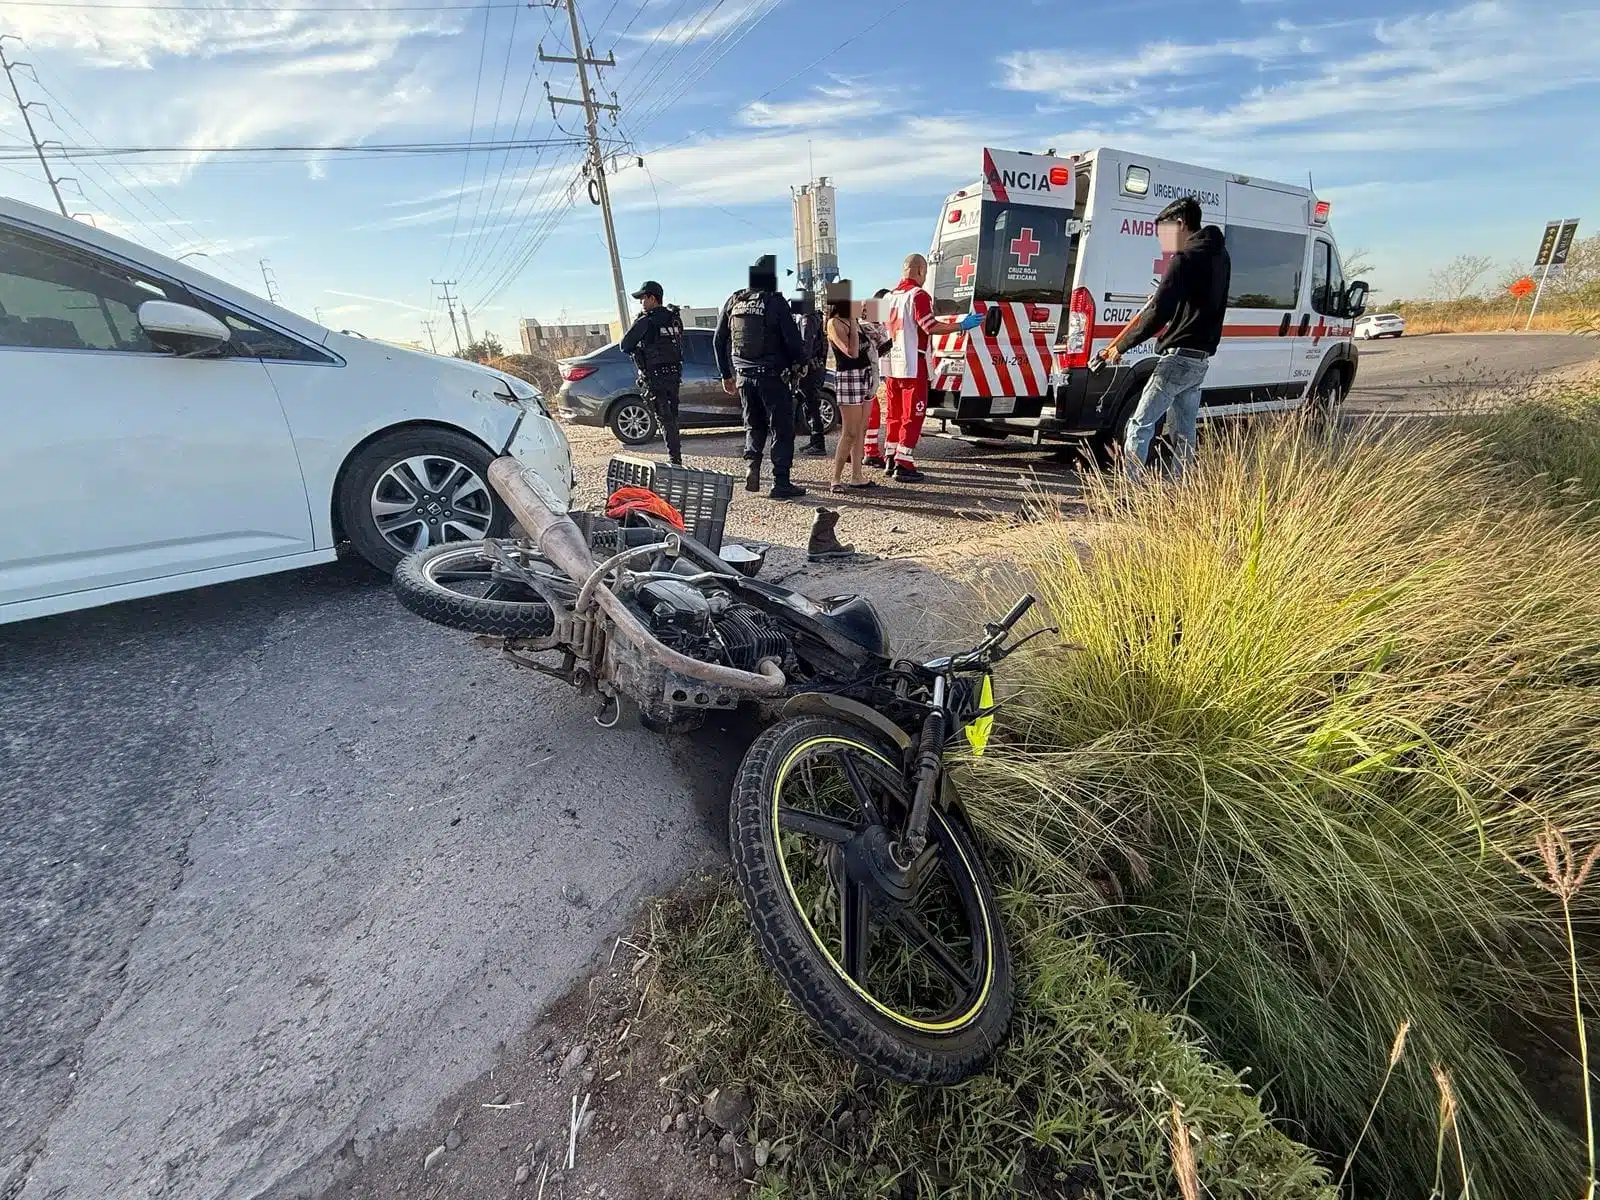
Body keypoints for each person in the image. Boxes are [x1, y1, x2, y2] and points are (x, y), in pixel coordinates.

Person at [1095, 196, 1231, 478]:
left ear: (1180, 224)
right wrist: (1169, 296)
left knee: (1139, 425)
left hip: (1178, 359)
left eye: (1164, 233)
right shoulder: (1220, 255)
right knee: (1184, 432)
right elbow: (1201, 302)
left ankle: (1128, 492)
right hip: (1200, 361)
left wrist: (1120, 345)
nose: (1162, 241)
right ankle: (1180, 490)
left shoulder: (1184, 259)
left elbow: (1158, 313)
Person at [714, 254, 808, 500]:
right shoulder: (774, 302)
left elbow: (718, 339)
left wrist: (726, 374)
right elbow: (793, 341)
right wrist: (801, 363)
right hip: (772, 377)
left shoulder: (735, 300)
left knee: (753, 426)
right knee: (781, 428)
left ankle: (752, 466)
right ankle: (781, 482)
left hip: (744, 377)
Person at [880, 255, 981, 482]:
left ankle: (890, 455)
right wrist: (960, 325)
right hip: (912, 363)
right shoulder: (919, 295)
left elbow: (878, 330)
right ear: (920, 271)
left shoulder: (887, 297)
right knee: (913, 414)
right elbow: (930, 326)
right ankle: (903, 462)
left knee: (894, 413)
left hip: (891, 363)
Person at [618, 280, 685, 465]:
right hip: (674, 375)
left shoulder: (646, 320)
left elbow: (625, 346)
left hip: (656, 376)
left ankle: (675, 462)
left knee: (665, 419)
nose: (641, 302)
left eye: (643, 298)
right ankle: (676, 459)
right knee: (672, 418)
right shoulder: (674, 318)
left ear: (652, 298)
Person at [823, 283, 874, 491]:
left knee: (861, 429)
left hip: (864, 375)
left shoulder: (855, 323)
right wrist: (853, 321)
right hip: (848, 377)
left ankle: (857, 475)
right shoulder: (834, 323)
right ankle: (835, 478)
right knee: (850, 431)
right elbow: (851, 352)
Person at [793, 294, 829, 457]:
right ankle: (815, 441)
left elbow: (806, 344)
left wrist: (802, 365)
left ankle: (818, 443)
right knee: (810, 405)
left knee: (812, 406)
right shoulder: (815, 317)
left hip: (810, 370)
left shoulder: (807, 319)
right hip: (815, 368)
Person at [862, 287, 892, 468]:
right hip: (865, 377)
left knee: (866, 415)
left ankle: (859, 450)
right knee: (872, 414)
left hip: (863, 376)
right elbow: (875, 352)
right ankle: (870, 452)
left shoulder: (863, 325)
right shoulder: (869, 327)